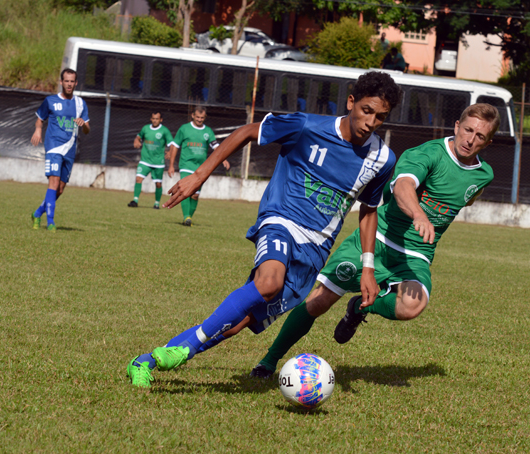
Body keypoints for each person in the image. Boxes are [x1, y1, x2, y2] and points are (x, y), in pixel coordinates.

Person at [126, 71, 403, 388]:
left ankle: (145, 361)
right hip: (281, 220)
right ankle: (185, 348)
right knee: (268, 282)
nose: (370, 122)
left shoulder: (382, 159)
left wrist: (368, 268)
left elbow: (368, 212)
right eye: (366, 110)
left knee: (234, 325)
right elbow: (246, 132)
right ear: (351, 102)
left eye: (380, 117)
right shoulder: (307, 126)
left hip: (315, 249)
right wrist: (200, 175)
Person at [250, 103, 500, 379]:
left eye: (480, 136)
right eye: (467, 130)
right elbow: (404, 185)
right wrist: (418, 213)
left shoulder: (484, 174)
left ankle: (357, 308)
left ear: (488, 142)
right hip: (376, 240)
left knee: (412, 306)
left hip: (414, 254)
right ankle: (269, 361)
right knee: (319, 302)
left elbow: (466, 196)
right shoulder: (428, 154)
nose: (470, 139)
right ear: (456, 126)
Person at [30, 68, 90, 232]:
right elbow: (40, 119)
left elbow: (87, 130)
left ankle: (37, 213)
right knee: (54, 183)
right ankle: (50, 222)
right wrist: (37, 130)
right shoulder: (50, 101)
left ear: (76, 83)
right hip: (54, 147)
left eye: (72, 81)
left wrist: (83, 124)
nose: (69, 84)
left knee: (61, 188)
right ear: (61, 82)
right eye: (66, 81)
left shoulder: (80, 103)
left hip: (70, 149)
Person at [167, 106, 230, 225]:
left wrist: (224, 158)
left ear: (205, 117)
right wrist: (171, 165)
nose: (199, 120)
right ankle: (187, 217)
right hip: (186, 164)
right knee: (185, 192)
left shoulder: (208, 131)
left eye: (202, 118)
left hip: (201, 168)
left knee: (195, 195)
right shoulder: (184, 129)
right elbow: (175, 146)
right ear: (192, 116)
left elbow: (215, 146)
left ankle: (189, 217)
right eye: (197, 117)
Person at [128, 111, 174, 209]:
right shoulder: (145, 128)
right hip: (145, 160)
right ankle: (135, 200)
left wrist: (170, 152)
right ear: (151, 119)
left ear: (161, 120)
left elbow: (172, 144)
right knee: (138, 179)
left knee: (158, 184)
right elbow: (139, 136)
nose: (155, 120)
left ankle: (157, 203)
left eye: (157, 119)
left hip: (158, 162)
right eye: (153, 118)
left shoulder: (164, 131)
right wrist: (136, 140)